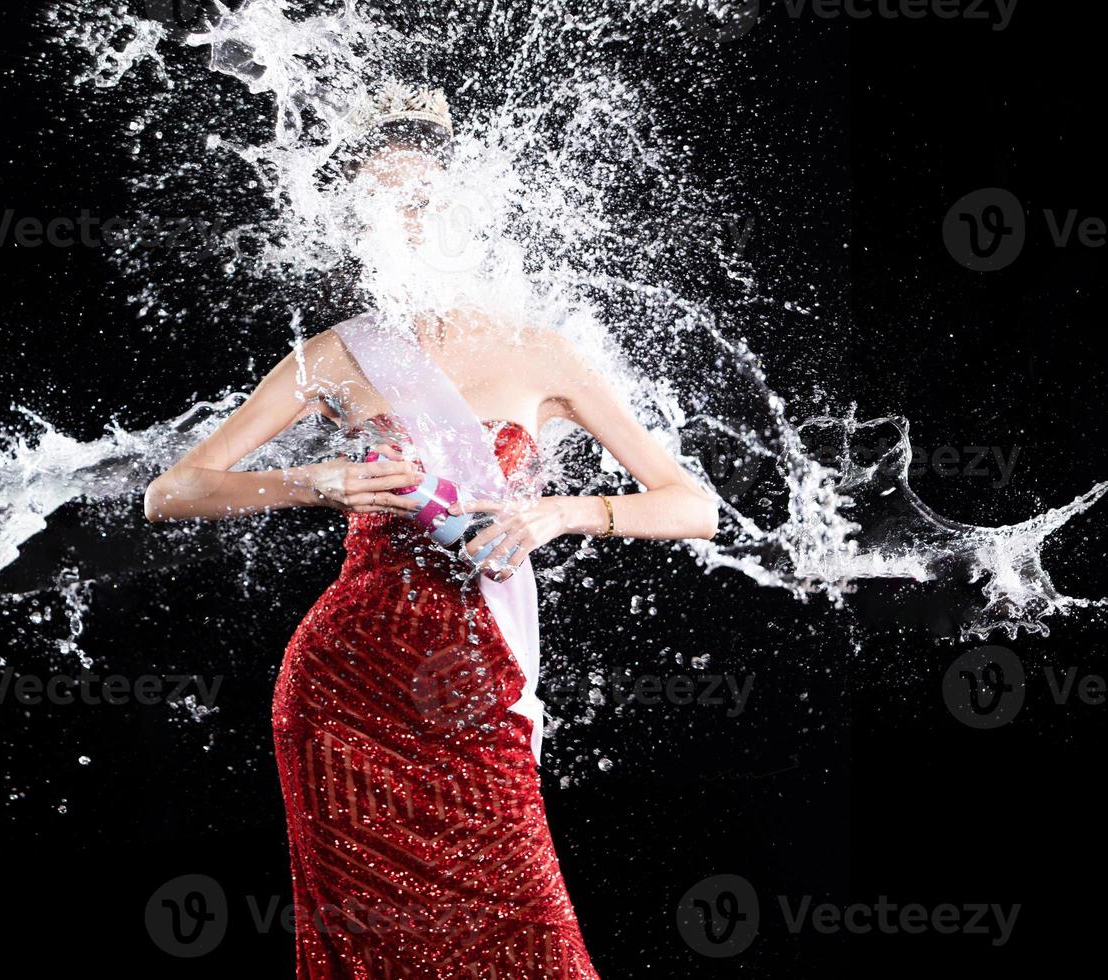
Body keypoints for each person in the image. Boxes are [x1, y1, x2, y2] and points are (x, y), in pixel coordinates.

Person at [144, 80, 718, 979]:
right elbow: (170, 492)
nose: (405, 217)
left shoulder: (540, 351)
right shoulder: (339, 355)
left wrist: (558, 513)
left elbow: (694, 506)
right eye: (380, 200)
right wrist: (318, 480)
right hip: (347, 688)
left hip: (476, 686)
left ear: (465, 199)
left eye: (421, 195)